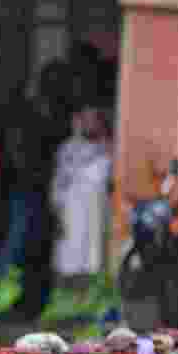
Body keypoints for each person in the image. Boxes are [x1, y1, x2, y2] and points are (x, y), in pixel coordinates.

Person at [50, 107, 114, 280]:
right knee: (69, 257)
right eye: (85, 119)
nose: (89, 124)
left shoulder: (110, 150)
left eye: (94, 120)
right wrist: (57, 209)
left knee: (94, 259)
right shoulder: (68, 149)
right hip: (72, 211)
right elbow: (59, 182)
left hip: (96, 212)